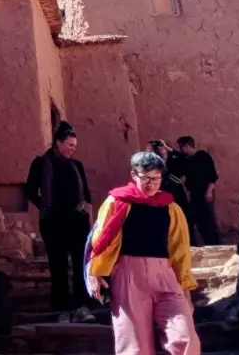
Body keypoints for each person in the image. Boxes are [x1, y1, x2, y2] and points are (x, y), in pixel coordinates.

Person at [84, 151, 201, 355]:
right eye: (145, 178)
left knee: (185, 337)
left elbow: (179, 250)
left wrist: (185, 286)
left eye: (156, 178)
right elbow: (102, 239)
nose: (151, 184)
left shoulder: (171, 208)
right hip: (128, 276)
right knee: (135, 347)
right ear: (133, 174)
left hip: (165, 276)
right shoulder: (117, 202)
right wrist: (95, 272)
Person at [26, 121, 93, 310]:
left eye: (75, 146)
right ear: (59, 142)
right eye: (70, 145)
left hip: (77, 222)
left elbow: (87, 196)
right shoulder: (41, 164)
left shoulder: (76, 166)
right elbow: (30, 191)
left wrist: (90, 221)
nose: (73, 149)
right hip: (54, 222)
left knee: (81, 263)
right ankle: (61, 304)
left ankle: (82, 302)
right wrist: (45, 207)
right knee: (58, 264)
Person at [171, 137, 220, 246]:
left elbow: (213, 176)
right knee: (196, 220)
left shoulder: (202, 156)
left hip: (204, 193)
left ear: (186, 146)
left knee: (207, 221)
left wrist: (209, 191)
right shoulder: (189, 160)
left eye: (181, 147)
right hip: (195, 194)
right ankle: (207, 243)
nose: (180, 150)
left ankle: (214, 244)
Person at [147, 140, 190, 210]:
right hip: (162, 188)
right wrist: (148, 152)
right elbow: (147, 167)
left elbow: (185, 159)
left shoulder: (174, 158)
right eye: (158, 147)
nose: (160, 148)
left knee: (180, 209)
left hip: (175, 187)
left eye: (162, 146)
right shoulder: (156, 161)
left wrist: (168, 148)